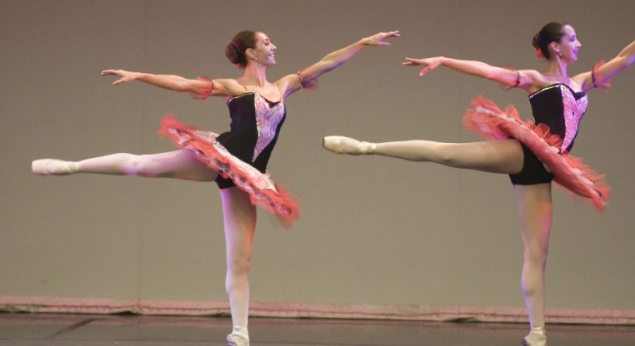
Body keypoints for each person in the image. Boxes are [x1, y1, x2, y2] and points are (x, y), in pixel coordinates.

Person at [322, 12, 635, 346]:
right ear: (556, 47)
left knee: (537, 253)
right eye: (573, 38)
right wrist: (444, 60)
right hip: (527, 152)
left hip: (549, 167)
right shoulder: (536, 79)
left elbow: (623, 60)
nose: (579, 43)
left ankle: (538, 333)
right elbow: (489, 70)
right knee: (446, 153)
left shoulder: (581, 82)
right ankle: (366, 147)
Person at [32, 29, 400, 346]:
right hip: (220, 157)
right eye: (267, 42)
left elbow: (326, 63)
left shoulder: (284, 85)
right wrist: (139, 74)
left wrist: (363, 43)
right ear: (251, 52)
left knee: (240, 260)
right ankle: (70, 166)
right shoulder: (233, 87)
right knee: (143, 165)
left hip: (250, 176)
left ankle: (240, 333)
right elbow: (183, 83)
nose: (274, 46)